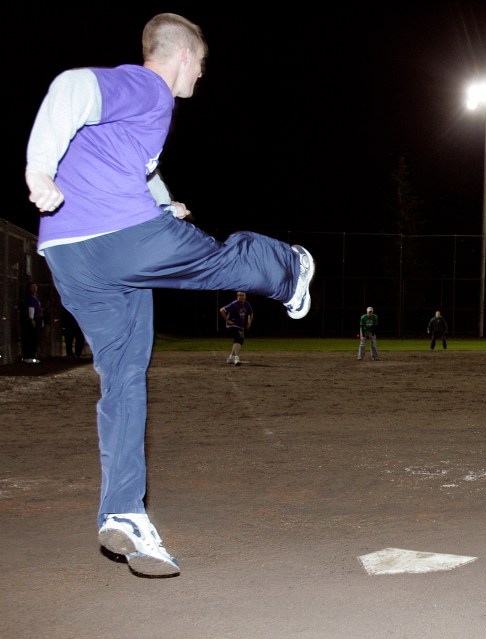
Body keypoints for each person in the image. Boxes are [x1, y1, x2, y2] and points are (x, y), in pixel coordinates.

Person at [24, 13, 315, 577]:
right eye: (201, 64)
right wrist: (39, 169)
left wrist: (164, 203)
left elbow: (126, 163)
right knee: (218, 259)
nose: (200, 76)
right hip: (119, 238)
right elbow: (71, 86)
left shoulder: (137, 121)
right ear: (182, 54)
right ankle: (292, 266)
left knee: (124, 377)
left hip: (68, 255)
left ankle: (125, 512)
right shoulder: (150, 87)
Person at [220, 291, 254, 366]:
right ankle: (236, 358)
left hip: (240, 325)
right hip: (232, 325)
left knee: (240, 341)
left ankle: (231, 358)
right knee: (237, 338)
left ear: (245, 296)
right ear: (237, 296)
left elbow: (250, 313)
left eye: (243, 295)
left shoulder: (246, 304)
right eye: (240, 295)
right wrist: (227, 320)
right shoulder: (234, 304)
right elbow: (222, 310)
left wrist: (249, 322)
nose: (242, 297)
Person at [21, 282, 44, 363]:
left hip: (37, 318)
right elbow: (31, 308)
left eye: (35, 287)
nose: (34, 288)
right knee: (31, 338)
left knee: (35, 338)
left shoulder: (35, 297)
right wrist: (32, 319)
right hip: (33, 319)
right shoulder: (30, 297)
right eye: (32, 287)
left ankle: (32, 356)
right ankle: (29, 356)